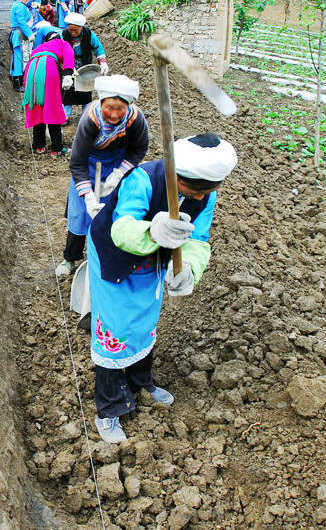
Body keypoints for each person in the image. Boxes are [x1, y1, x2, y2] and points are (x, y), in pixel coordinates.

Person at [86, 133, 238, 443]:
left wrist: (188, 269)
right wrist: (154, 231)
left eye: (207, 191)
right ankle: (110, 406)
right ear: (175, 175)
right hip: (115, 257)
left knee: (145, 322)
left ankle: (142, 382)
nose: (198, 198)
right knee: (114, 332)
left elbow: (199, 238)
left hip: (151, 263)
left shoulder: (205, 196)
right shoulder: (142, 179)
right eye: (192, 190)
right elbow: (122, 228)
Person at [56, 75, 149, 277]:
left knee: (112, 214)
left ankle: (103, 258)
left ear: (128, 106)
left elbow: (139, 150)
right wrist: (88, 196)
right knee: (80, 214)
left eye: (120, 109)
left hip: (118, 165)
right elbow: (77, 161)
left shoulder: (135, 119)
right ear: (101, 102)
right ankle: (70, 258)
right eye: (109, 108)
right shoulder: (90, 118)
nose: (114, 115)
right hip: (88, 165)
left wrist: (119, 174)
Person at [22, 29, 75, 156]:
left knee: (37, 105)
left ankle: (38, 146)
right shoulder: (63, 43)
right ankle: (57, 148)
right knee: (53, 106)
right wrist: (68, 74)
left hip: (31, 70)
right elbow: (69, 56)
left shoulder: (40, 47)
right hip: (48, 67)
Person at [61, 13, 109, 122]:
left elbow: (97, 47)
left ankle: (86, 114)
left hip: (84, 63)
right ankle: (66, 114)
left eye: (75, 30)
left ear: (81, 27)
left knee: (86, 88)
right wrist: (67, 65)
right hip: (68, 63)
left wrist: (102, 61)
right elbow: (59, 49)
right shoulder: (63, 34)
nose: (73, 33)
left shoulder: (88, 34)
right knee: (68, 88)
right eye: (70, 30)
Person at [9, 0, 35, 91]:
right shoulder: (19, 6)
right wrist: (29, 34)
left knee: (20, 57)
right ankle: (18, 83)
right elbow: (21, 22)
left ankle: (19, 80)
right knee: (19, 58)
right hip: (19, 35)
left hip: (21, 34)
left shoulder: (21, 6)